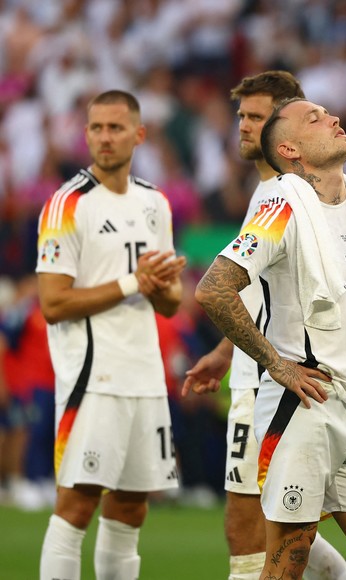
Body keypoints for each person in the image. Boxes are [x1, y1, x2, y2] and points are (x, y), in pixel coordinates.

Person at [195, 97, 346, 580]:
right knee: (287, 561)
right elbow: (214, 289)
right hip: (304, 407)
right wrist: (276, 364)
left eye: (329, 113)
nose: (334, 118)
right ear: (290, 148)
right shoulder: (282, 206)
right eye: (314, 118)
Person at [182, 71, 346, 580]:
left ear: (285, 128)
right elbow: (256, 294)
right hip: (256, 371)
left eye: (256, 117)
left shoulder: (291, 196)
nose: (243, 127)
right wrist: (222, 350)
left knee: (265, 520)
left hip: (284, 378)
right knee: (264, 518)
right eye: (241, 116)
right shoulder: (267, 192)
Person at [36, 90, 187, 580]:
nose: (105, 137)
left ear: (139, 135)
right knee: (77, 506)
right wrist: (132, 282)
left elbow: (169, 303)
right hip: (93, 376)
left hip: (144, 374)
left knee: (130, 508)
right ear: (85, 135)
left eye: (116, 127)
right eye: (96, 128)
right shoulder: (67, 205)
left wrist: (162, 285)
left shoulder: (155, 203)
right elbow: (53, 303)